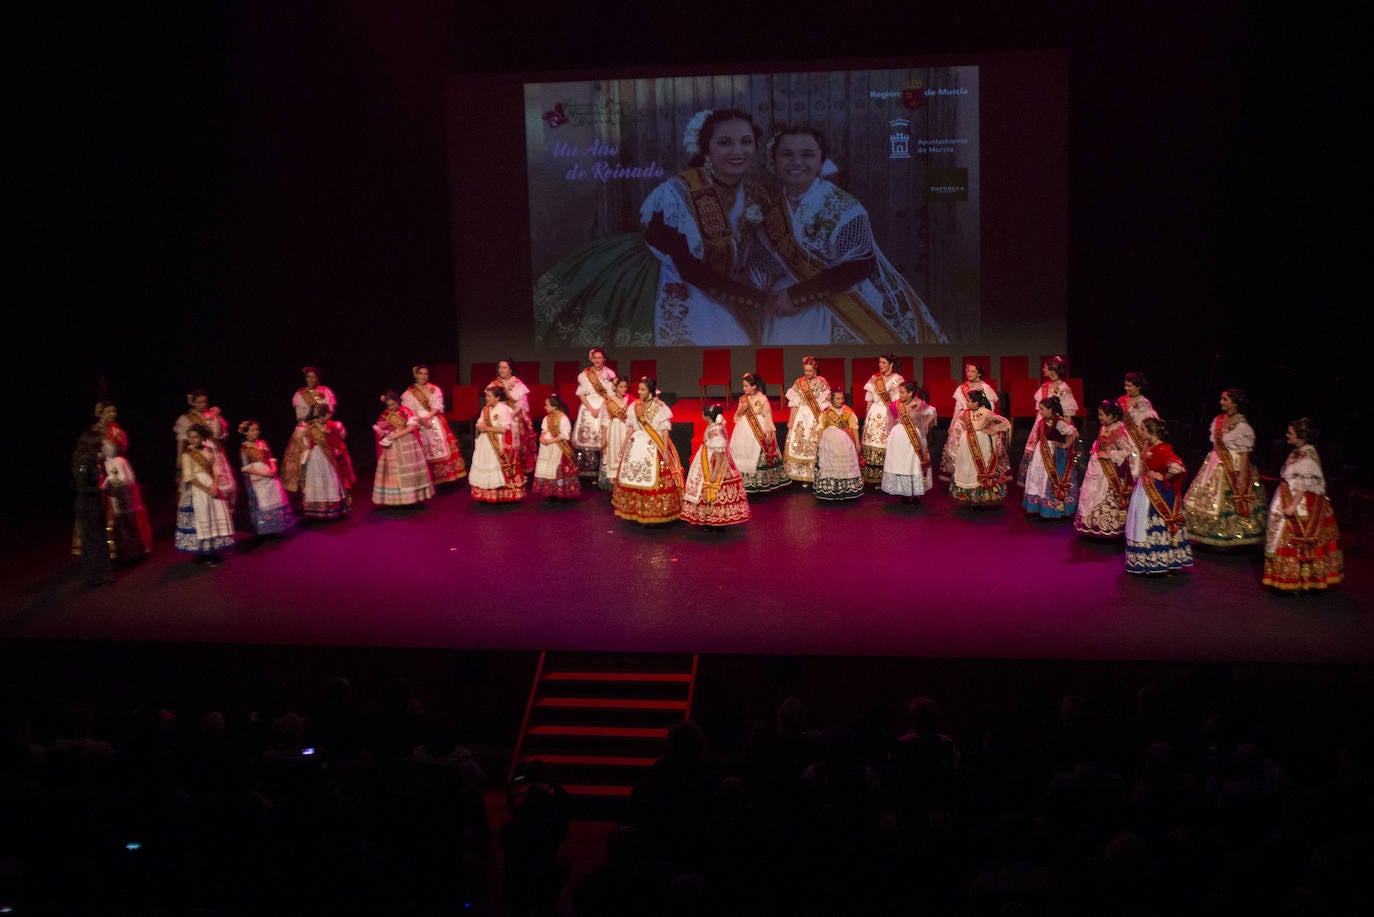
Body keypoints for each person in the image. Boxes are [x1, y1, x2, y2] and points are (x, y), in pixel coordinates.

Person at [532, 108, 774, 347]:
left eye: (746, 142)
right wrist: (754, 299)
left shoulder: (756, 195)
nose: (738, 151)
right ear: (706, 147)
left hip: (721, 281)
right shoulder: (676, 194)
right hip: (666, 276)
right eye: (725, 142)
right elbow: (688, 268)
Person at [754, 125, 947, 345]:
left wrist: (798, 295)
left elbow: (859, 265)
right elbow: (763, 268)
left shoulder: (844, 206)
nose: (796, 162)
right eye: (787, 154)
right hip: (785, 313)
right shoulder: (771, 212)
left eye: (807, 155)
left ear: (821, 161)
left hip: (842, 307)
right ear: (775, 161)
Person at [1262, 418, 1343, 591]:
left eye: (1290, 433)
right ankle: (1290, 577)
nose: (1287, 436)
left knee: (1292, 537)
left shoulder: (1308, 456)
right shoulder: (1298, 451)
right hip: (1286, 494)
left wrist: (1292, 506)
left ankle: (1297, 579)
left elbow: (1303, 484)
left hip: (1300, 502)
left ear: (1302, 436)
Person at [1184, 388, 1268, 548]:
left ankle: (1232, 537)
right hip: (1214, 465)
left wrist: (1243, 477)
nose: (1221, 402)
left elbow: (1244, 454)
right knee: (1207, 499)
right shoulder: (1218, 420)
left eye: (1225, 400)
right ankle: (1205, 533)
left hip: (1233, 466)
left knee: (1229, 501)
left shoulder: (1243, 427)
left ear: (1235, 404)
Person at [1125, 418, 1192, 575]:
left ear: (1151, 431)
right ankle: (1144, 562)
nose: (1140, 432)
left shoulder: (1163, 448)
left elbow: (1178, 467)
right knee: (1139, 522)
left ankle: (1161, 562)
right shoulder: (1149, 445)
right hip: (1144, 488)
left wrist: (1164, 476)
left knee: (1152, 523)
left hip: (1157, 493)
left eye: (1142, 429)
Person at [612, 378, 683, 524]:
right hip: (636, 444)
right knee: (634, 477)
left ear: (650, 391)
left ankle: (655, 514)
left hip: (654, 445)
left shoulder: (659, 407)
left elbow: (664, 431)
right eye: (639, 389)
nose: (639, 392)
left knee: (655, 480)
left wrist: (664, 450)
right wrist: (624, 446)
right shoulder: (634, 406)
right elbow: (630, 428)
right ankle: (637, 512)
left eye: (642, 390)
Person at [94, 402, 152, 560]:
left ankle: (136, 548)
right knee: (112, 511)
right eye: (109, 411)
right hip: (105, 470)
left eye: (114, 411)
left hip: (120, 468)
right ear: (101, 413)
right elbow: (94, 453)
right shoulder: (95, 431)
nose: (113, 414)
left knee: (130, 508)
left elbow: (123, 447)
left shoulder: (116, 428)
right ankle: (115, 551)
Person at [280, 403, 355, 519]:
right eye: (328, 414)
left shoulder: (331, 425)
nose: (330, 415)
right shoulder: (310, 426)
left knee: (330, 478)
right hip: (316, 456)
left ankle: (333, 507)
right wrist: (305, 448)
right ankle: (318, 508)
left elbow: (338, 438)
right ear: (322, 416)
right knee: (317, 479)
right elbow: (299, 437)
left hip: (328, 457)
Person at [174, 424, 235, 564]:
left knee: (215, 515)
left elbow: (216, 469)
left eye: (195, 437)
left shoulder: (209, 450)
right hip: (198, 489)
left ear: (202, 437)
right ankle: (203, 553)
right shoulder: (187, 454)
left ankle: (212, 550)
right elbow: (189, 477)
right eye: (190, 437)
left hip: (211, 484)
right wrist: (207, 490)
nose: (192, 440)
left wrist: (214, 486)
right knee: (202, 517)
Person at [682, 404, 750, 526]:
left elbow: (719, 456)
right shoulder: (713, 427)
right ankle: (708, 519)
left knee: (714, 488)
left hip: (713, 463)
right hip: (706, 457)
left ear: (707, 416)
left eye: (703, 413)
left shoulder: (715, 431)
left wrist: (715, 473)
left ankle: (716, 520)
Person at [1074, 401, 1134, 537]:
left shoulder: (1118, 429)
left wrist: (1110, 455)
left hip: (1109, 471)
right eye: (1099, 414)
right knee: (1090, 493)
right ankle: (1089, 524)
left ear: (1113, 416)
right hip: (1097, 466)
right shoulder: (1104, 427)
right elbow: (1100, 441)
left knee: (1103, 494)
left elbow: (1126, 450)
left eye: (1102, 415)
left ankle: (1106, 526)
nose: (1099, 417)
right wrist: (1096, 449)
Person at [1017, 357, 1077, 489]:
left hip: (1055, 431)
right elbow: (1039, 413)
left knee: (1055, 461)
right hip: (1041, 426)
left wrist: (1060, 435)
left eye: (1045, 367)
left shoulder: (1064, 389)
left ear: (1052, 370)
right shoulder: (1045, 387)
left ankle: (1052, 490)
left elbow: (1067, 417)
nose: (1043, 369)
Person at [403, 364, 467, 485]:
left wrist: (427, 417)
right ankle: (424, 478)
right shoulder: (409, 392)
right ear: (415, 375)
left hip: (432, 418)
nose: (423, 376)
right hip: (416, 421)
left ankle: (444, 477)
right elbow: (409, 410)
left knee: (440, 446)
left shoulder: (434, 389)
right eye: (420, 373)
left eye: (425, 374)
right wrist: (420, 420)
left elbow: (436, 407)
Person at [948, 389, 1012, 507]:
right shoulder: (964, 413)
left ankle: (981, 497)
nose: (967, 403)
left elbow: (1005, 423)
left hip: (982, 442)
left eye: (970, 401)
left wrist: (989, 429)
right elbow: (960, 427)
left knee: (979, 466)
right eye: (967, 401)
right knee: (968, 466)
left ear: (977, 402)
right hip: (966, 444)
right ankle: (969, 496)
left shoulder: (985, 412)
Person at [173, 389, 237, 507]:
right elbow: (181, 440)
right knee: (203, 478)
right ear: (193, 402)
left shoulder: (212, 415)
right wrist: (179, 457)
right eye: (199, 402)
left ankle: (223, 507)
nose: (202, 405)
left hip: (215, 451)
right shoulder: (187, 418)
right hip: (197, 453)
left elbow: (219, 434)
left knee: (219, 477)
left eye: (204, 402)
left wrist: (216, 416)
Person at [371, 392, 435, 507]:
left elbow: (412, 426)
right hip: (392, 446)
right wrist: (384, 433)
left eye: (392, 404)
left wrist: (397, 434)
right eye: (388, 405)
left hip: (407, 442)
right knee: (393, 472)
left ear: (397, 402)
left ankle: (412, 498)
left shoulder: (405, 411)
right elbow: (378, 427)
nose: (390, 407)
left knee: (409, 469)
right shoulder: (386, 414)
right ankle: (396, 500)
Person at [1021, 396, 1080, 519]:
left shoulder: (1058, 422)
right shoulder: (1041, 422)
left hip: (1055, 455)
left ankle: (1054, 508)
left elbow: (1073, 433)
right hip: (1041, 452)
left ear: (1051, 410)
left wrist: (1065, 445)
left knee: (1051, 478)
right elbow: (1035, 435)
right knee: (1039, 476)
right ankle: (1038, 506)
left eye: (1042, 409)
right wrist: (1031, 449)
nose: (1040, 412)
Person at [730, 372, 789, 493]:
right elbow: (737, 417)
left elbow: (768, 417)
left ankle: (760, 482)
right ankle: (743, 483)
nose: (744, 388)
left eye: (746, 386)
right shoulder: (743, 399)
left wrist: (769, 434)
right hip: (744, 430)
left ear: (754, 386)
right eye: (743, 386)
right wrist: (742, 409)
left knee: (758, 454)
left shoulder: (762, 399)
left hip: (759, 429)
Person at [939, 362, 999, 481]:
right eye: (968, 371)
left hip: (980, 421)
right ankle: (962, 477)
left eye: (973, 371)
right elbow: (957, 408)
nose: (969, 374)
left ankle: (980, 476)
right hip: (964, 421)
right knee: (961, 450)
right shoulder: (961, 388)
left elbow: (991, 408)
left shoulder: (985, 388)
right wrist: (952, 424)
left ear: (979, 373)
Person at [881, 380, 937, 503]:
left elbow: (932, 411)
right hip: (898, 438)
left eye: (902, 392)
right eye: (899, 392)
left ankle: (916, 492)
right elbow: (890, 421)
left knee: (914, 464)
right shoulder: (895, 405)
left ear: (911, 393)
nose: (899, 395)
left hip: (914, 438)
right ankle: (904, 493)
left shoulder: (919, 404)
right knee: (901, 465)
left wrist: (926, 424)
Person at [470, 385, 527, 503]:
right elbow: (480, 424)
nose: (487, 398)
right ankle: (486, 493)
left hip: (499, 442)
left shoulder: (503, 409)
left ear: (497, 398)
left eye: (490, 396)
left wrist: (487, 428)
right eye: (486, 396)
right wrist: (481, 427)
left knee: (497, 466)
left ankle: (501, 493)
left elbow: (504, 429)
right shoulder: (485, 409)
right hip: (485, 441)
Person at [237, 420, 295, 534]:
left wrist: (274, 469)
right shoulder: (244, 448)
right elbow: (246, 467)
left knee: (276, 498)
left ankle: (279, 526)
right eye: (252, 430)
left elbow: (270, 458)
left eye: (257, 430)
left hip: (270, 476)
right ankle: (266, 529)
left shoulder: (263, 443)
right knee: (264, 502)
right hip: (258, 479)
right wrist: (264, 474)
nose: (255, 432)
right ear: (245, 433)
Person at [71, 429, 113, 585]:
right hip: (87, 507)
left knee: (100, 539)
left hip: (96, 504)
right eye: (100, 443)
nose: (102, 446)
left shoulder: (94, 461)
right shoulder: (82, 462)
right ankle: (92, 575)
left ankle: (101, 573)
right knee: (92, 541)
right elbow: (81, 487)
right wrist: (101, 488)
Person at [783, 356, 831, 485]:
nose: (807, 373)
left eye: (810, 371)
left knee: (813, 444)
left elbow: (825, 406)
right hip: (801, 417)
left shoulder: (822, 382)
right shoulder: (799, 383)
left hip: (815, 417)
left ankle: (813, 475)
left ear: (815, 370)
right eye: (805, 370)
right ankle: (798, 475)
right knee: (798, 443)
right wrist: (790, 420)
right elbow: (794, 404)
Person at [572, 347, 617, 479]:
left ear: (604, 359)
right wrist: (591, 408)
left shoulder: (609, 374)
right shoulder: (585, 374)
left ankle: (603, 472)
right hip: (588, 408)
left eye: (600, 358)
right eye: (595, 358)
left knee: (603, 437)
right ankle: (587, 472)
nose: (597, 360)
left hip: (604, 406)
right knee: (588, 438)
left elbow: (611, 394)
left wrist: (601, 408)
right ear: (592, 359)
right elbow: (581, 394)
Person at [860, 354, 905, 484]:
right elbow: (869, 400)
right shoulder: (874, 379)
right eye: (880, 362)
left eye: (884, 362)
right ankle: (874, 477)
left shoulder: (898, 379)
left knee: (888, 443)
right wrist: (867, 418)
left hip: (890, 413)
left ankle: (890, 477)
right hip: (875, 413)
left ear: (891, 364)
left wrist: (897, 419)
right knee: (873, 443)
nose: (881, 365)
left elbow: (898, 401)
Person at [814, 390, 864, 501]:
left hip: (845, 444)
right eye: (837, 398)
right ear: (831, 399)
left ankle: (845, 489)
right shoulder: (825, 412)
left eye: (842, 398)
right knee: (832, 465)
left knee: (844, 466)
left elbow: (854, 428)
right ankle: (832, 490)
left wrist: (857, 443)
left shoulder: (848, 411)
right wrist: (819, 443)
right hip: (829, 443)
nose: (840, 401)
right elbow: (821, 428)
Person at [490, 359, 536, 473]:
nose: (501, 370)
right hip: (499, 415)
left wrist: (510, 415)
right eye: (500, 367)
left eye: (504, 367)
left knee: (517, 434)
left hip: (513, 415)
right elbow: (490, 400)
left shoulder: (518, 383)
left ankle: (518, 470)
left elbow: (521, 403)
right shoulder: (495, 383)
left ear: (510, 370)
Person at [532, 394, 581, 500]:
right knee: (547, 466)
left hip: (557, 447)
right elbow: (544, 430)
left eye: (547, 405)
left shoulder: (563, 418)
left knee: (556, 467)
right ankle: (549, 491)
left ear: (554, 406)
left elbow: (565, 435)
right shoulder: (546, 418)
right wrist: (542, 438)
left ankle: (559, 491)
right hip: (547, 447)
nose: (545, 407)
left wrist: (551, 440)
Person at [1117, 371, 1158, 477]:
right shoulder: (1121, 401)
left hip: (1135, 445)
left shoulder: (1145, 404)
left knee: (1132, 475)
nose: (1126, 388)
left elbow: (1149, 428)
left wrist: (1145, 447)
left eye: (1129, 386)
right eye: (1125, 385)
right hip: (1120, 443)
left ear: (1138, 387)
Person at [598, 377, 631, 492]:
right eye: (621, 387)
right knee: (614, 454)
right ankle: (615, 486)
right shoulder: (608, 401)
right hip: (613, 431)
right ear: (615, 387)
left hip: (627, 430)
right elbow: (605, 420)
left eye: (625, 387)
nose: (624, 389)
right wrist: (603, 437)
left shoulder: (630, 400)